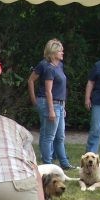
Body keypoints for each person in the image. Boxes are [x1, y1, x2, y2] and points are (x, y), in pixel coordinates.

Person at [27, 38, 74, 169]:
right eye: (60, 51)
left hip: (59, 104)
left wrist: (63, 107)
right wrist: (51, 109)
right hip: (50, 104)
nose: (62, 53)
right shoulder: (48, 68)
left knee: (60, 136)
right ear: (53, 52)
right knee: (49, 136)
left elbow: (60, 89)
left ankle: (64, 163)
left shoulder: (59, 66)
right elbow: (48, 91)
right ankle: (47, 163)